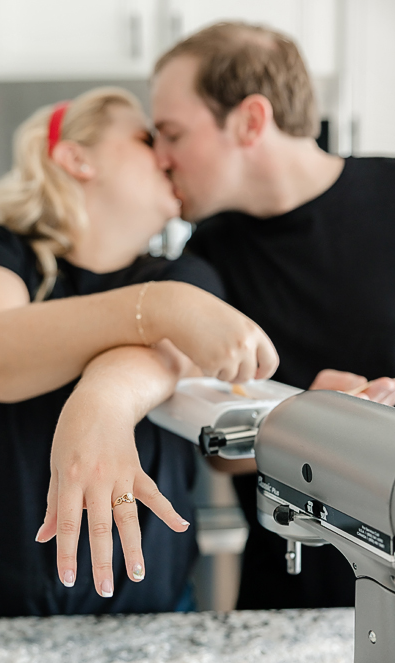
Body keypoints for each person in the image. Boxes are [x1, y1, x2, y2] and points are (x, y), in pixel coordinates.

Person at [0, 87, 279, 617]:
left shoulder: (187, 274)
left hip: (154, 610)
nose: (168, 154)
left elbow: (164, 358)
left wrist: (102, 399)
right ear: (77, 158)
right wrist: (160, 308)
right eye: (148, 138)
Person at [151, 22, 395, 609]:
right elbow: (218, 450)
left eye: (172, 133)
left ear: (250, 121)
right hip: (286, 591)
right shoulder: (207, 257)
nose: (159, 158)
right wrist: (306, 426)